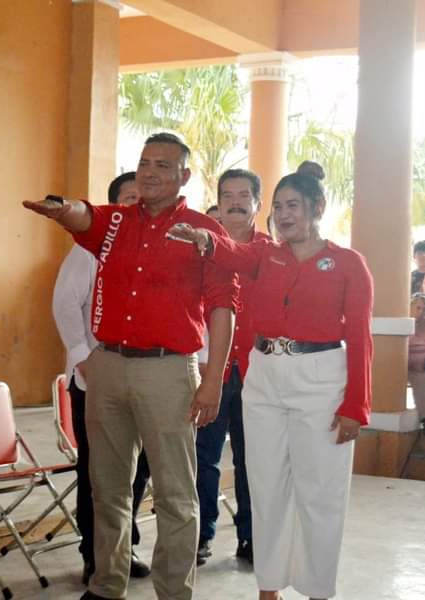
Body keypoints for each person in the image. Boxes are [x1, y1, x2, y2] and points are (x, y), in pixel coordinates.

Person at [25, 132, 237, 600]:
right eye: (144, 162)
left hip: (169, 372)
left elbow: (224, 307)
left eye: (164, 164)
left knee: (176, 495)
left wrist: (214, 381)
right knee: (108, 489)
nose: (150, 171)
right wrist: (62, 210)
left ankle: (174, 592)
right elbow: (84, 216)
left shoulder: (205, 230)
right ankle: (106, 585)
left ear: (184, 176)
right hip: (109, 368)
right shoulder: (116, 221)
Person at [168, 161, 373, 600]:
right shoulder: (266, 255)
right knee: (265, 485)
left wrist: (355, 406)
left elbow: (359, 339)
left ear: (317, 206)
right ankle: (269, 587)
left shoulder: (348, 264)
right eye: (278, 206)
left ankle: (318, 589)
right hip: (264, 377)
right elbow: (229, 252)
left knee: (320, 491)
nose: (283, 214)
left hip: (320, 380)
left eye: (293, 205)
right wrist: (204, 236)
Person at [52, 171, 151, 586]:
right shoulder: (91, 248)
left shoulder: (154, 248)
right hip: (96, 379)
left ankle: (124, 546)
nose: (134, 206)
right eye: (126, 199)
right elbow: (64, 304)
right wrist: (82, 358)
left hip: (144, 379)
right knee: (97, 472)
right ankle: (96, 555)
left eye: (139, 198)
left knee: (138, 469)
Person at [195, 169, 268, 566]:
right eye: (228, 195)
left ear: (258, 203)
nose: (236, 201)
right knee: (203, 458)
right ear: (218, 201)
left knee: (251, 458)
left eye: (244, 194)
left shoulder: (274, 253)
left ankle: (251, 536)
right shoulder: (200, 249)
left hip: (259, 375)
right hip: (211, 373)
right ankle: (202, 535)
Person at [407, 293, 425, 423]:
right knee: (420, 379)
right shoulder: (402, 325)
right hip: (409, 368)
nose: (421, 312)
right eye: (418, 308)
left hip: (421, 366)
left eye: (424, 309)